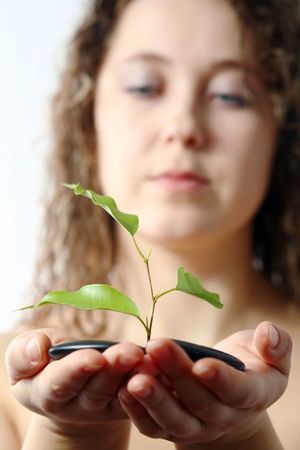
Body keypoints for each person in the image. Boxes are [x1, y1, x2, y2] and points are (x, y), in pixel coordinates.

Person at [0, 0, 299, 448]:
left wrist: (241, 437)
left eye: (230, 95)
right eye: (144, 87)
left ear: (282, 133)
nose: (182, 125)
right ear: (88, 115)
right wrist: (70, 432)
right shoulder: (13, 383)